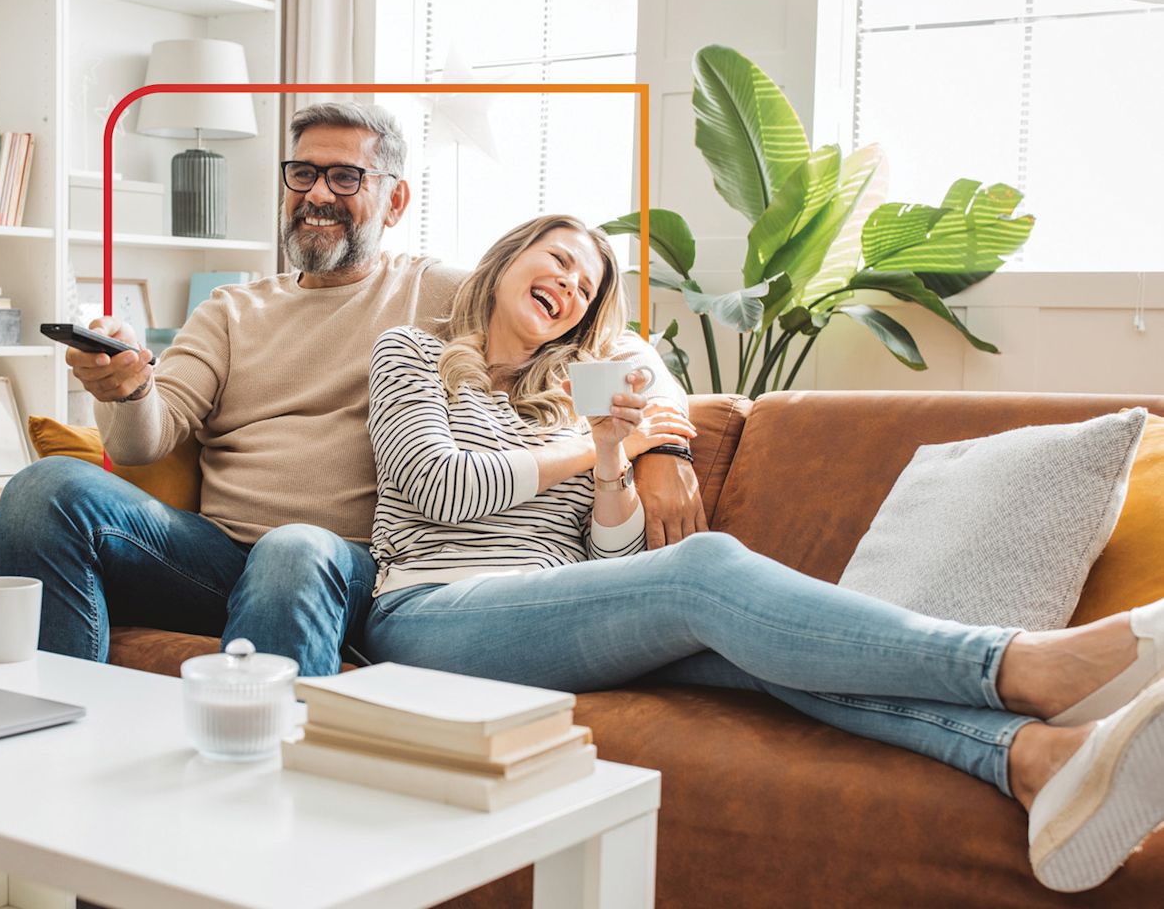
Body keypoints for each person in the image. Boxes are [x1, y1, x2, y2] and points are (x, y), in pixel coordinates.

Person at [359, 213, 1164, 892]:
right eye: (558, 261)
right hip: (428, 613)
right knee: (702, 568)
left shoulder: (578, 396)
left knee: (761, 653)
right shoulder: (414, 355)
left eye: (585, 286)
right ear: (505, 260)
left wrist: (610, 461)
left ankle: (1033, 757)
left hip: (545, 620)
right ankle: (1027, 666)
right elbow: (441, 485)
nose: (569, 286)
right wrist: (605, 447)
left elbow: (607, 573)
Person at [0, 103, 701, 676]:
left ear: (394, 201)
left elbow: (606, 337)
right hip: (216, 557)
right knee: (44, 488)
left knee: (296, 547)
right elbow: (148, 440)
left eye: (344, 178)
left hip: (353, 563)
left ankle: (262, 795)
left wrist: (664, 449)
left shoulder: (441, 292)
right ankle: (47, 729)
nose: (317, 195)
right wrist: (122, 386)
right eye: (302, 174)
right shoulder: (231, 311)